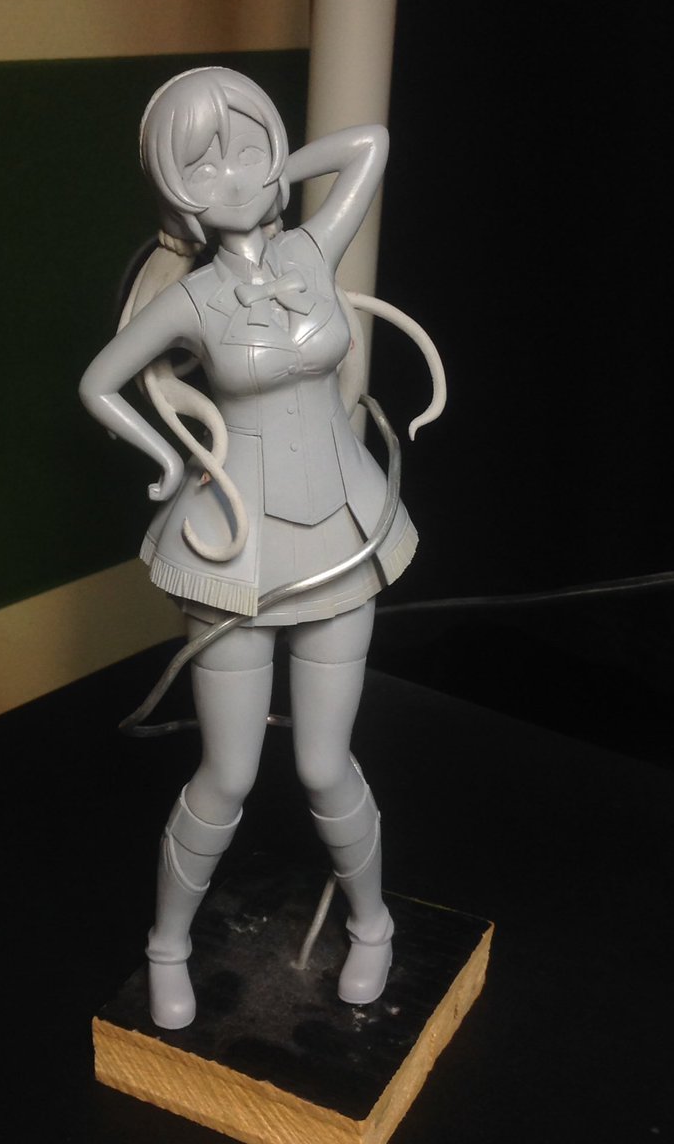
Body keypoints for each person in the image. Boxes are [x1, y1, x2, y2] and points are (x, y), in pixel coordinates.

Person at [79, 68, 418, 1030]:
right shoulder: (189, 299)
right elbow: (100, 383)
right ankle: (168, 946)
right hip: (232, 544)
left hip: (343, 531)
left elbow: (370, 146)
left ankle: (374, 923)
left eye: (248, 144)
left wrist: (269, 173)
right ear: (172, 188)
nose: (231, 173)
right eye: (200, 163)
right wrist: (167, 456)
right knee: (226, 773)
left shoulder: (313, 246)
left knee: (323, 763)